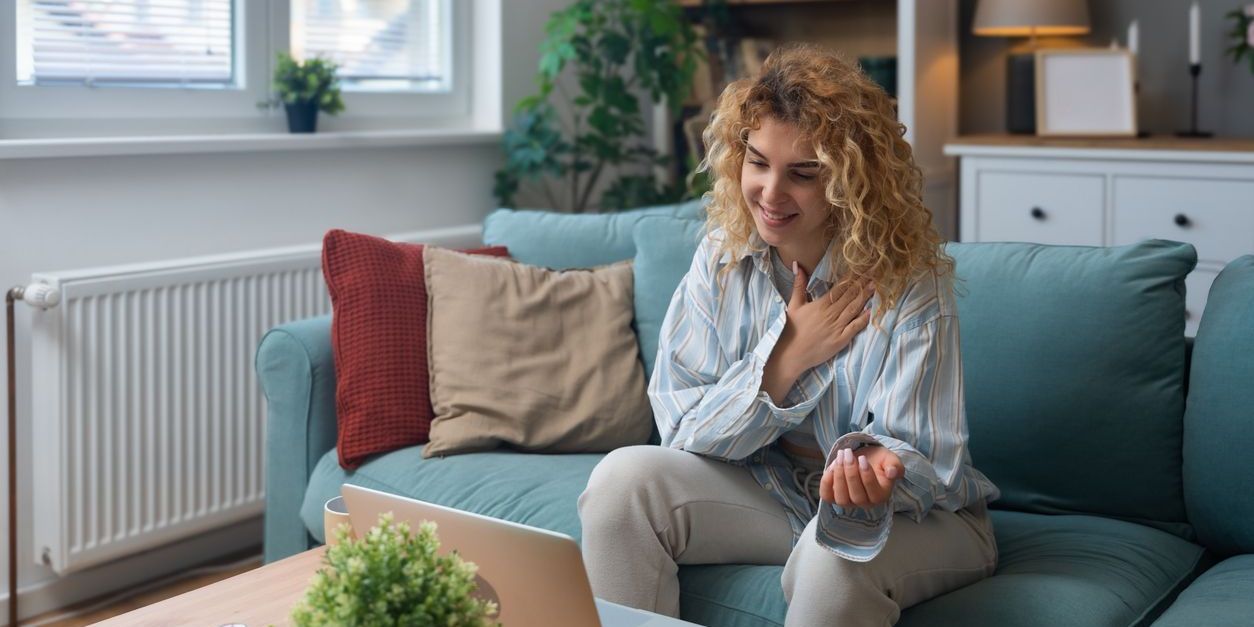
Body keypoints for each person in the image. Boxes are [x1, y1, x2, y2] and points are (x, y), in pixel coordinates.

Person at [577, 45, 1001, 626]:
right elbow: (679, 431)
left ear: (853, 180)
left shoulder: (910, 283)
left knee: (835, 553)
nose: (771, 194)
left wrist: (874, 474)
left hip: (917, 521)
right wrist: (785, 361)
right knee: (622, 481)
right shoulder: (721, 259)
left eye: (803, 173)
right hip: (771, 493)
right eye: (757, 162)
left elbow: (930, 463)